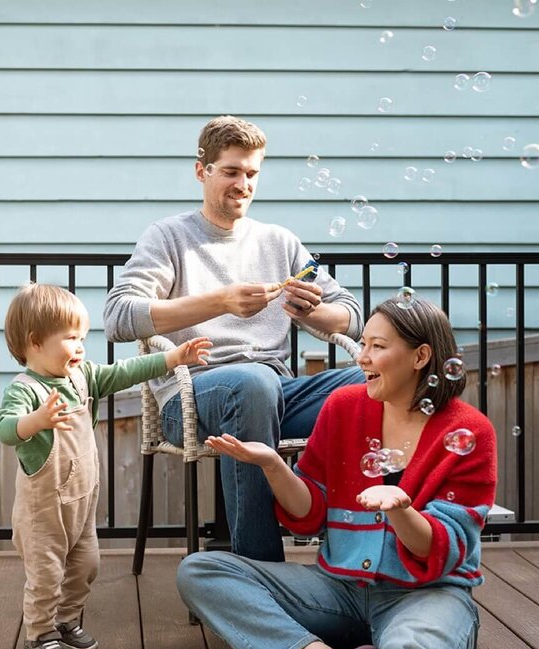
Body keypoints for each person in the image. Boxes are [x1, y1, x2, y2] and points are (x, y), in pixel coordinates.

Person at [177, 298, 497, 649]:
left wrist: (401, 509)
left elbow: (447, 550)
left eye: (377, 347)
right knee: (201, 571)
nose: (362, 358)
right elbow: (310, 513)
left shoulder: (469, 431)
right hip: (339, 589)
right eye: (362, 345)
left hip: (426, 593)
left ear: (420, 357)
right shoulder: (344, 407)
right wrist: (274, 467)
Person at [104, 115, 364, 562]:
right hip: (188, 397)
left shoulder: (280, 243)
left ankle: (358, 549)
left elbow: (353, 318)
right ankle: (258, 571)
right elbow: (119, 317)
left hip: (278, 393)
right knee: (252, 384)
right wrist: (220, 301)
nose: (243, 183)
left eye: (252, 173)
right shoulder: (168, 237)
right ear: (201, 170)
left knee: (374, 380)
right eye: (231, 171)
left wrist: (313, 310)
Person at [0, 283, 211, 649]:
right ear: (35, 342)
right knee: (46, 575)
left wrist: (174, 358)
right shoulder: (25, 389)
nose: (80, 347)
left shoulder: (82, 378)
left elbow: (126, 371)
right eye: (71, 338)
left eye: (83, 337)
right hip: (42, 513)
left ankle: (65, 622)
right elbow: (5, 429)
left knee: (86, 566)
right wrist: (36, 421)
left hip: (80, 504)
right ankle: (38, 635)